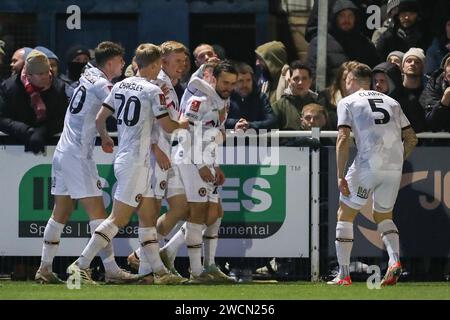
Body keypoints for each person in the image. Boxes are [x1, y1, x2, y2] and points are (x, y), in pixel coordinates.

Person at [66, 43, 189, 285]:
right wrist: (184, 123)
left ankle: (159, 273)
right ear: (154, 65)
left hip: (125, 157)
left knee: (147, 218)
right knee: (116, 220)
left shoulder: (121, 84)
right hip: (136, 162)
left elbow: (102, 118)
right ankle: (79, 265)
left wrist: (105, 137)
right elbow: (167, 127)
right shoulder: (153, 90)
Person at [33, 42, 138, 284]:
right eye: (121, 61)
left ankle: (45, 269)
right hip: (78, 155)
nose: (123, 65)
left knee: (62, 210)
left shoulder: (89, 74)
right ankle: (110, 270)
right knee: (99, 215)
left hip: (64, 151)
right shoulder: (103, 84)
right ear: (110, 62)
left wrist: (102, 135)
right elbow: (123, 108)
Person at [328, 62, 418, 286]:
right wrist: (396, 161)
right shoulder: (392, 102)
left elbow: (342, 138)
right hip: (393, 167)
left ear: (351, 81)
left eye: (346, 80)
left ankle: (344, 274)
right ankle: (395, 261)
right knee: (384, 216)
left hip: (368, 165)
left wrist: (340, 175)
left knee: (345, 214)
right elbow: (412, 138)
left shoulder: (347, 102)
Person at [175, 60, 237, 283]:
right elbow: (183, 135)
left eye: (232, 83)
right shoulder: (199, 100)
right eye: (224, 82)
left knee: (215, 214)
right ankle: (196, 272)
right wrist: (201, 165)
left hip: (207, 161)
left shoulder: (224, 101)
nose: (228, 87)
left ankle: (208, 265)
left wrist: (215, 164)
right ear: (213, 79)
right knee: (198, 214)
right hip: (192, 161)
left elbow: (212, 135)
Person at [0, 49, 67, 154]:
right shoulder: (9, 88)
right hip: (14, 147)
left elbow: (64, 117)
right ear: (28, 75)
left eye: (47, 72)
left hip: (52, 146)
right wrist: (24, 130)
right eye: (40, 74)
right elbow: (2, 118)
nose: (45, 77)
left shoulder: (59, 87)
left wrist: (44, 131)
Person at [226, 62, 278, 131]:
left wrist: (250, 125)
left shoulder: (261, 97)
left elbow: (272, 121)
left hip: (256, 140)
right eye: (240, 81)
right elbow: (219, 121)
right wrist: (237, 123)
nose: (245, 85)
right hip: (231, 140)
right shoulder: (227, 97)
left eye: (248, 80)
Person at [272, 61, 318, 131]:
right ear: (289, 81)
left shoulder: (319, 106)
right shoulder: (279, 107)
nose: (300, 82)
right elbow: (272, 137)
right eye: (296, 78)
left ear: (310, 81)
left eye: (304, 78)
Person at [254, 41, 287, 106]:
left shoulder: (289, 81)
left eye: (261, 59)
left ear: (273, 61)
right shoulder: (263, 79)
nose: (257, 63)